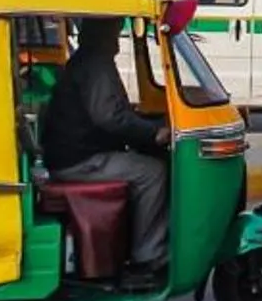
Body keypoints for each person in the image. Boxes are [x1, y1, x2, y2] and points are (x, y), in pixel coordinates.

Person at [40, 17, 169, 284]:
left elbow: (115, 113)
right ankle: (148, 257)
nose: (116, 38)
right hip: (80, 161)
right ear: (102, 34)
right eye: (114, 31)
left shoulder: (89, 61)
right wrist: (152, 132)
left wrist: (147, 126)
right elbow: (109, 117)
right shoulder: (95, 64)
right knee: (153, 173)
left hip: (76, 155)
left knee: (143, 164)